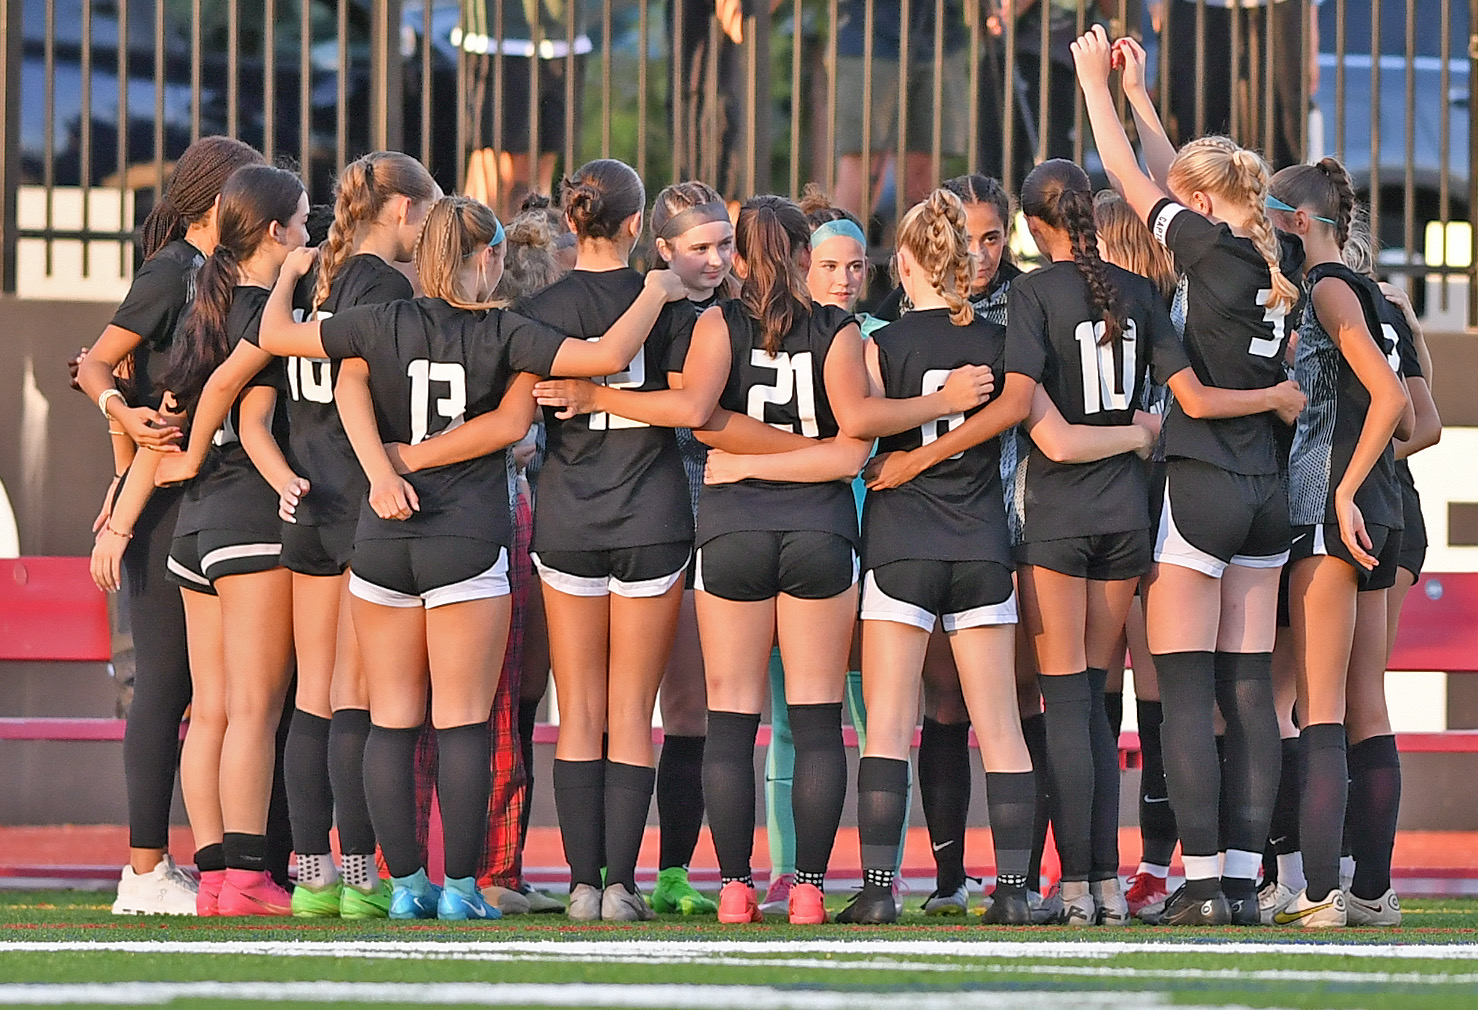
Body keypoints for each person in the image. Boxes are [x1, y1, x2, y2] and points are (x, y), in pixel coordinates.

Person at [535, 194, 991, 924]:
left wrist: (602, 396)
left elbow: (698, 418)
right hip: (821, 532)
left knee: (733, 718)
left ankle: (739, 887)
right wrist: (810, 461)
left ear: (741, 259)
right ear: (808, 259)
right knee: (816, 720)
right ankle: (808, 888)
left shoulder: (717, 323)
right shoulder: (842, 333)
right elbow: (852, 447)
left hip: (733, 528)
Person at [257, 194, 689, 921]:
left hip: (383, 537)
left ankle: (403, 889)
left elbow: (276, 334)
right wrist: (654, 289)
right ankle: (461, 889)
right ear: (489, 258)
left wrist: (288, 276)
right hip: (465, 536)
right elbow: (606, 361)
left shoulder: (377, 322)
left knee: (391, 720)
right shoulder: (507, 331)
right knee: (461, 721)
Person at [1075, 26, 1307, 926]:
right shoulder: (1259, 252)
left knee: (1186, 695)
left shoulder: (1208, 248)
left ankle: (1203, 880)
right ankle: (1243, 881)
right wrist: (1144, 99)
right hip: (1264, 496)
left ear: (1208, 201)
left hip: (1202, 484)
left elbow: (1133, 183)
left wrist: (1097, 87)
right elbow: (1176, 179)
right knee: (1249, 691)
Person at [77, 135, 264, 916]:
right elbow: (98, 364)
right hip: (164, 501)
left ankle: (221, 864)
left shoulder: (220, 277)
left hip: (193, 490)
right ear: (220, 202)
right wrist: (123, 434)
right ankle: (144, 868)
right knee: (166, 684)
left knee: (219, 691)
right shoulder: (174, 273)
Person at [838, 188, 1034, 925]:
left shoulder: (880, 342)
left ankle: (881, 889)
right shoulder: (997, 343)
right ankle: (1013, 893)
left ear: (909, 262)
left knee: (887, 725)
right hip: (981, 542)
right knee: (1002, 725)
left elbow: (860, 432)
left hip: (901, 543)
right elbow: (1033, 418)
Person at [514, 159, 698, 922]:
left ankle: (583, 883)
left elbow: (522, 425)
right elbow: (693, 408)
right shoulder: (671, 302)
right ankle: (620, 884)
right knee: (632, 709)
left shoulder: (539, 306)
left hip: (568, 516)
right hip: (651, 513)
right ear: (634, 228)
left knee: (580, 708)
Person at [159, 163, 311, 916]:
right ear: (276, 233)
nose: (311, 239)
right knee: (254, 707)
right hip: (250, 519)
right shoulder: (268, 311)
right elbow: (242, 408)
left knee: (213, 708)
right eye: (305, 225)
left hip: (194, 525)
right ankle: (248, 874)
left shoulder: (205, 308)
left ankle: (217, 876)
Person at [1266, 159, 1412, 928]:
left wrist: (1344, 485)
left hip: (1335, 509)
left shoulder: (1326, 287)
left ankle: (1321, 893)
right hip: (1381, 510)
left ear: (1299, 221)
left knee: (1318, 706)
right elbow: (1411, 419)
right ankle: (1372, 894)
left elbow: (1388, 399)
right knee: (1367, 705)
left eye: (1271, 214)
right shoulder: (1379, 301)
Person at [645, 180, 738, 918]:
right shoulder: (640, 314)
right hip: (642, 518)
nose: (714, 260)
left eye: (724, 245)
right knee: (617, 703)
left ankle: (674, 872)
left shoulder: (742, 315)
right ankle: (604, 865)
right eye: (699, 247)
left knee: (693, 711)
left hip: (718, 520)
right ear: (663, 249)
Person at [1092, 188, 1182, 917]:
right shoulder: (1167, 310)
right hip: (1147, 512)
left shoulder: (1137, 314)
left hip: (1119, 513)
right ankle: (1149, 869)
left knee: (1111, 696)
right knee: (1150, 703)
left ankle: (1110, 868)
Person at [832, 0, 973, 218]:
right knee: (863, 158)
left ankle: (920, 248)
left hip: (942, 35)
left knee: (927, 165)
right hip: (869, 32)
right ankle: (841, 248)